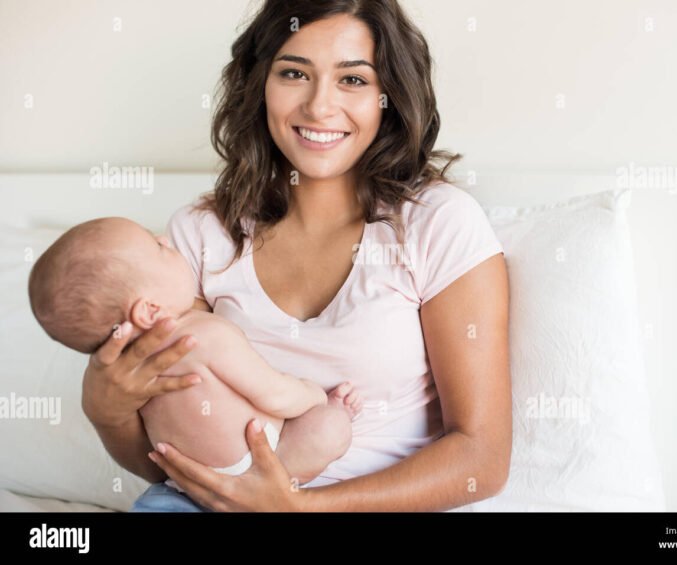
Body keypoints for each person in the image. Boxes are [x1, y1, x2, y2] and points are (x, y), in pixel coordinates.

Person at [82, 0, 511, 512]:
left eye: (353, 80)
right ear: (259, 84)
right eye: (294, 73)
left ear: (388, 97)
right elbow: (174, 457)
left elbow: (482, 459)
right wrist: (107, 413)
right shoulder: (200, 233)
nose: (319, 107)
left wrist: (298, 506)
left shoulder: (437, 223)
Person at [28, 216, 362, 511]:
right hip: (265, 466)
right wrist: (316, 395)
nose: (166, 240)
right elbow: (275, 395)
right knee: (331, 427)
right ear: (148, 310)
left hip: (182, 489)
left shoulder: (130, 370)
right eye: (157, 247)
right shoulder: (204, 334)